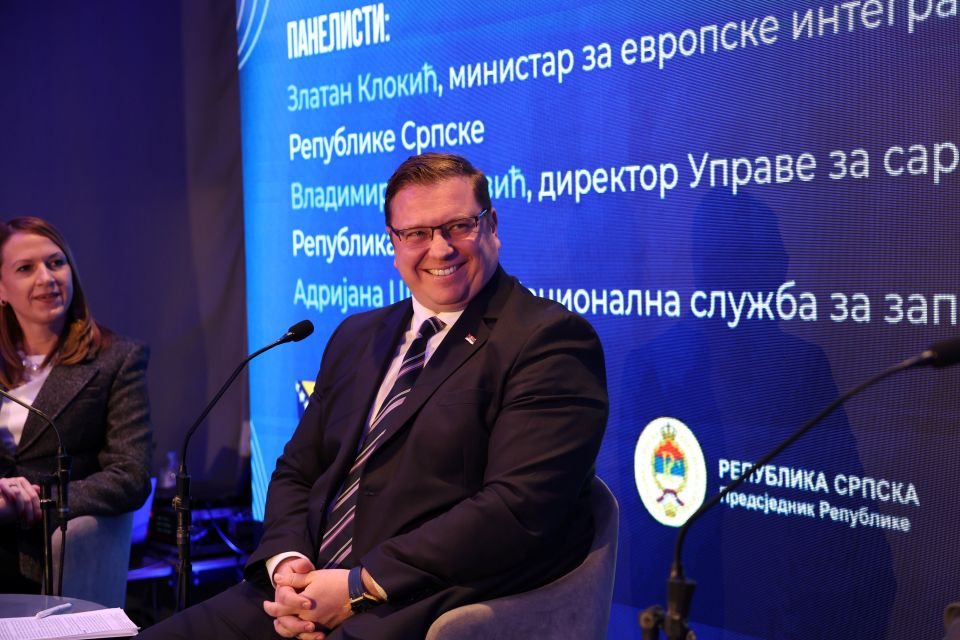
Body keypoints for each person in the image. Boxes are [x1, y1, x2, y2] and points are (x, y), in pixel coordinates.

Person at [142, 151, 608, 639]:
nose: (441, 248)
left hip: (413, 601)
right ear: (393, 242)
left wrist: (357, 586)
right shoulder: (356, 336)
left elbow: (516, 509)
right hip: (300, 591)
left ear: (491, 225)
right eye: (417, 233)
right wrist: (287, 565)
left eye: (459, 226)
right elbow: (298, 470)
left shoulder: (548, 341)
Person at [0, 216, 153, 593]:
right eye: (25, 268)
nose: (46, 278)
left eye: (56, 262)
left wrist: (37, 499)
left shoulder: (116, 360)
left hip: (51, 546)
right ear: (2, 289)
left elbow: (130, 475)